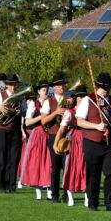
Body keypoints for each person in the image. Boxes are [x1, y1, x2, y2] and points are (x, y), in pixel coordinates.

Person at [76, 73, 111, 212]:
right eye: (104, 87)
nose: (106, 89)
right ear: (98, 86)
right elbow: (80, 121)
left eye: (108, 87)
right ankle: (92, 202)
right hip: (92, 143)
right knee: (93, 174)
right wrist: (96, 126)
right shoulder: (88, 100)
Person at [0, 74, 23, 193]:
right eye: (10, 84)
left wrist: (20, 111)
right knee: (2, 159)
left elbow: (26, 112)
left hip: (16, 130)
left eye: (14, 84)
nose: (12, 87)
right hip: (2, 130)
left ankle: (12, 186)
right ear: (6, 84)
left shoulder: (20, 97)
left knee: (14, 159)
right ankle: (1, 184)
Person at [54, 86, 88, 207]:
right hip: (73, 141)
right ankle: (70, 197)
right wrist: (55, 144)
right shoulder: (70, 112)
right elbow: (62, 129)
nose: (83, 99)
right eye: (80, 97)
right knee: (70, 168)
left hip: (86, 140)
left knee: (85, 168)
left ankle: (87, 198)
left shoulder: (89, 111)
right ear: (76, 98)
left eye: (84, 96)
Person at [19, 80, 51, 200]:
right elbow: (27, 122)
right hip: (37, 134)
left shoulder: (51, 102)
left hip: (48, 134)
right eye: (43, 90)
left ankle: (49, 191)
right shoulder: (33, 104)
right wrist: (41, 116)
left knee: (49, 163)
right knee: (37, 162)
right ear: (38, 91)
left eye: (47, 90)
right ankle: (38, 192)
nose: (46, 92)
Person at [41, 73, 68, 203]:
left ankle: (67, 193)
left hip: (68, 135)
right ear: (55, 87)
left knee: (67, 166)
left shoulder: (69, 100)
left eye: (63, 84)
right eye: (59, 85)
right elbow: (43, 121)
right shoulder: (49, 101)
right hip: (53, 135)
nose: (62, 87)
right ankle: (55, 194)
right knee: (56, 167)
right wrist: (56, 113)